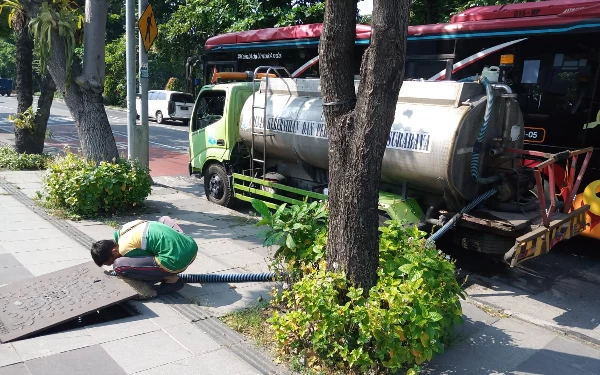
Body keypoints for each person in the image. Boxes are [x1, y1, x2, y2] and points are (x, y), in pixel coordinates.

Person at [90, 216, 198, 295]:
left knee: (120, 265)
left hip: (177, 260)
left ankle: (172, 280)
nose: (112, 264)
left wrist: (119, 269)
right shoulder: (125, 229)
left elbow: (146, 262)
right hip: (191, 246)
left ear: (114, 251)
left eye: (110, 261)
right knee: (163, 220)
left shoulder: (124, 248)